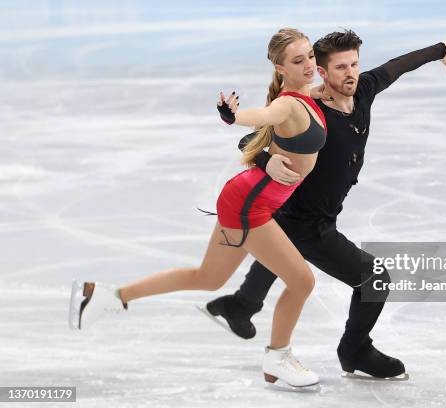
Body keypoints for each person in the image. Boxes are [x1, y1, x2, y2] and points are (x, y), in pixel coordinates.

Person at [68, 27, 328, 388]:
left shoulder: (308, 94)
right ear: (281, 68)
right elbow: (260, 116)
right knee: (301, 281)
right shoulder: (286, 103)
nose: (309, 65)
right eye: (298, 61)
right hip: (250, 206)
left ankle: (110, 296)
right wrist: (232, 116)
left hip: (245, 199)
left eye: (311, 56)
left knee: (208, 278)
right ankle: (278, 357)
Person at [204, 30, 446, 380]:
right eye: (340, 67)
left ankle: (240, 305)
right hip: (308, 221)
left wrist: (441, 50)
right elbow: (251, 135)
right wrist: (266, 160)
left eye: (355, 64)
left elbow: (398, 65)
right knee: (374, 277)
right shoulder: (309, 111)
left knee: (285, 251)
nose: (350, 73)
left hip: (301, 215)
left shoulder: (363, 90)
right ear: (322, 72)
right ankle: (354, 349)